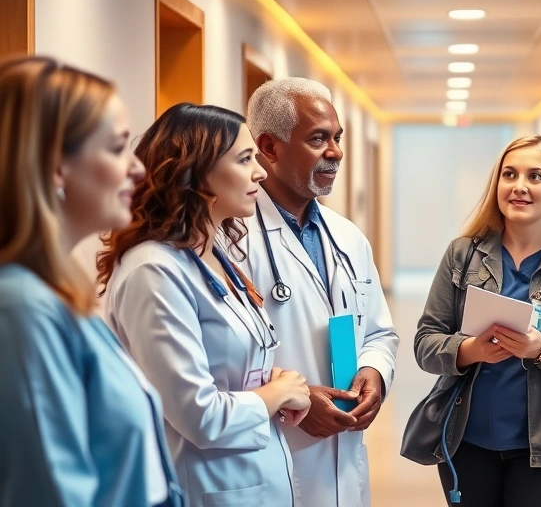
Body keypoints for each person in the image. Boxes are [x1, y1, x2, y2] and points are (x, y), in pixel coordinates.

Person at [98, 103, 310, 506]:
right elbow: (198, 415)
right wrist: (276, 394)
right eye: (245, 159)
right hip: (204, 486)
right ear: (196, 172)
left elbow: (222, 361)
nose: (261, 172)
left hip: (251, 477)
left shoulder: (212, 255)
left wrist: (266, 379)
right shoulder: (154, 270)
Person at [0, 56, 181, 506]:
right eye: (118, 147)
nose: (138, 168)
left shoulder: (58, 295)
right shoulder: (23, 310)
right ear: (56, 167)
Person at [413, 135, 541, 507]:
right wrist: (469, 350)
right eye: (510, 174)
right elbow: (425, 343)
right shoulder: (462, 254)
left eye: (535, 176)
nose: (519, 186)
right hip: (466, 441)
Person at [236, 77, 399, 507]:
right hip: (273, 449)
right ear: (268, 148)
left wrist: (374, 374)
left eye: (338, 138)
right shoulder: (231, 239)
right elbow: (219, 360)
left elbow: (381, 333)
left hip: (344, 454)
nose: (336, 152)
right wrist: (298, 396)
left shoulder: (347, 237)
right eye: (318, 139)